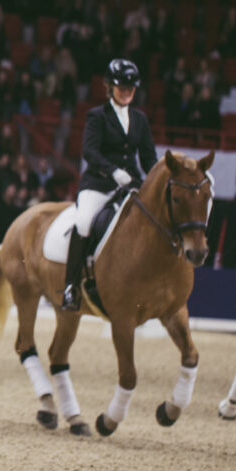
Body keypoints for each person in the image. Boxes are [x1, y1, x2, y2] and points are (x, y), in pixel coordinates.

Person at [62, 59, 158, 311]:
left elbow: (148, 157)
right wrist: (113, 170)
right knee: (84, 222)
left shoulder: (140, 119)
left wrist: (157, 177)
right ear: (109, 87)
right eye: (121, 86)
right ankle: (70, 287)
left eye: (130, 88)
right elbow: (89, 151)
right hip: (99, 184)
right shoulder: (97, 116)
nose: (126, 91)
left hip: (131, 184)